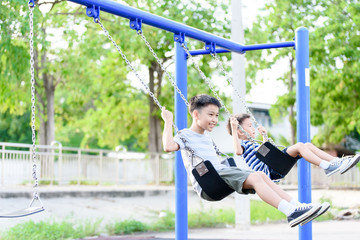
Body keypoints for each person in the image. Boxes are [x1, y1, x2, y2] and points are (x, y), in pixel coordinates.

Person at [161, 94, 329, 228]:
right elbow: (168, 146)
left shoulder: (206, 136)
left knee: (261, 176)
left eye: (217, 115)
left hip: (220, 175)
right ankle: (291, 211)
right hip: (209, 181)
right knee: (256, 177)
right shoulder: (185, 135)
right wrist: (168, 121)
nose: (214, 119)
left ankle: (297, 206)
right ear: (196, 114)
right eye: (210, 115)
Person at [227, 113, 360, 180]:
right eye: (249, 126)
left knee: (307, 145)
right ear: (239, 131)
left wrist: (264, 136)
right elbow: (238, 151)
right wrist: (233, 128)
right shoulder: (242, 144)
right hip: (272, 170)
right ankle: (327, 166)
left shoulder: (253, 143)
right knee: (300, 146)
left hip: (275, 165)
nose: (253, 128)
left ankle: (335, 162)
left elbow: (268, 151)